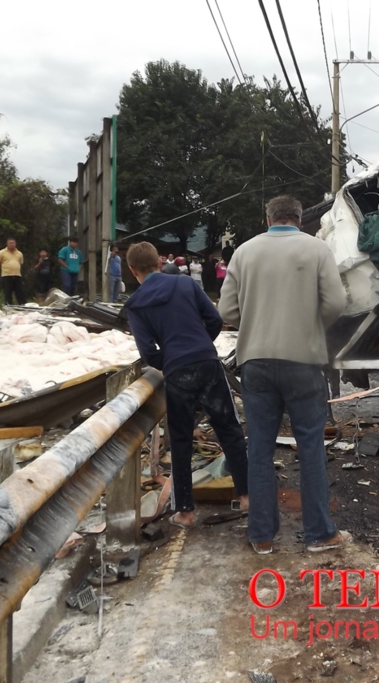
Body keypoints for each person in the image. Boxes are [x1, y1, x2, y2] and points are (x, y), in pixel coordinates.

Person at [219, 195, 348, 555]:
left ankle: (261, 535)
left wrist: (256, 321)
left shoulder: (244, 252)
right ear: (300, 219)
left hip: (256, 362)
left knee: (258, 448)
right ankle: (319, 534)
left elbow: (226, 307)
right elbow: (337, 303)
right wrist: (310, 326)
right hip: (303, 361)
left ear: (268, 218)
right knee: (310, 447)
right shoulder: (317, 249)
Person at [124, 242, 250, 529]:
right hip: (207, 363)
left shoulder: (135, 304)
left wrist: (169, 360)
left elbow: (147, 352)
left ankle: (185, 510)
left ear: (132, 270)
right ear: (159, 262)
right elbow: (215, 319)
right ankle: (246, 497)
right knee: (229, 429)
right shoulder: (185, 284)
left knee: (180, 439)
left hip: (177, 372)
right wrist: (202, 344)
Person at [0, 238, 24, 306]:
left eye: (13, 243)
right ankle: (9, 305)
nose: (12, 244)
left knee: (20, 291)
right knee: (8, 292)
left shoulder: (19, 253)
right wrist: (4, 267)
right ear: (7, 244)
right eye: (10, 243)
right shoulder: (2, 252)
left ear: (15, 244)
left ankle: (22, 305)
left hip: (17, 275)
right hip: (6, 275)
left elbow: (20, 263)